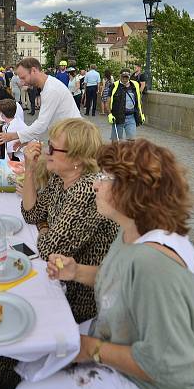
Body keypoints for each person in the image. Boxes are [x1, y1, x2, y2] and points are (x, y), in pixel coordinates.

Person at [15, 139, 194, 389]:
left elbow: (172, 365)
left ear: (133, 191)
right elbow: (120, 278)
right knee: (35, 344)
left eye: (105, 178)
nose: (95, 184)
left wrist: (91, 349)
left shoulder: (156, 263)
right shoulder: (132, 229)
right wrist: (76, 271)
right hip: (113, 346)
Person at [21, 118, 116, 323]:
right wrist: (29, 170)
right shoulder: (60, 177)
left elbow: (49, 252)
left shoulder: (87, 189)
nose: (46, 151)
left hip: (79, 299)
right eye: (49, 145)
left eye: (53, 148)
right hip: (59, 281)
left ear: (77, 159)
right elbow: (32, 214)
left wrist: (44, 227)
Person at [0, 58, 82, 147]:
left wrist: (12, 136)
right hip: (66, 137)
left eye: (23, 78)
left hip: (72, 140)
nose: (21, 83)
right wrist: (24, 140)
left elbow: (41, 124)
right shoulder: (48, 85)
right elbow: (45, 123)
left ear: (33, 70)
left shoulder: (51, 89)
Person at [108, 68, 145, 140]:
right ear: (120, 76)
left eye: (126, 77)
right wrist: (109, 114)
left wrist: (142, 114)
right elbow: (108, 101)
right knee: (116, 142)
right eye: (123, 77)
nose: (125, 79)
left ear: (129, 77)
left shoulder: (135, 85)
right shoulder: (114, 86)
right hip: (118, 117)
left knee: (131, 141)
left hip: (131, 117)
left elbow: (139, 101)